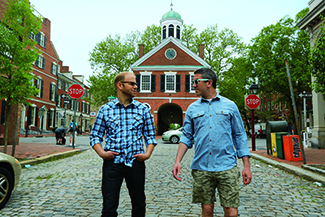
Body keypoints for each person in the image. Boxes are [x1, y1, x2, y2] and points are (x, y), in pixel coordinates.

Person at [172, 68, 252, 217]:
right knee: (207, 210)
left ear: (209, 83)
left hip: (227, 166)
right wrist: (178, 161)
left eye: (196, 81)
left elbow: (239, 135)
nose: (193, 85)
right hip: (202, 167)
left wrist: (246, 166)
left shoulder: (230, 106)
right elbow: (186, 136)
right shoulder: (192, 108)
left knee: (231, 211)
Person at [90, 71, 157, 217]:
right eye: (132, 83)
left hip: (136, 162)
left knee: (139, 204)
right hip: (113, 163)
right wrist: (101, 153)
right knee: (109, 205)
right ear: (120, 85)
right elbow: (95, 135)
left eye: (136, 84)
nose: (136, 87)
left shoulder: (143, 109)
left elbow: (150, 135)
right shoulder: (105, 110)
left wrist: (147, 154)